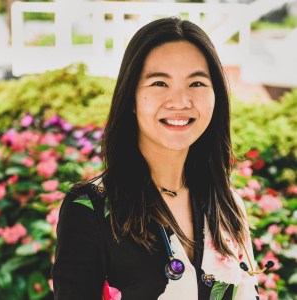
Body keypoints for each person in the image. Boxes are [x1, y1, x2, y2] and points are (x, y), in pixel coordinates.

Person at [52, 17, 261, 299]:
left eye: (196, 83)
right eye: (160, 83)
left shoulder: (227, 203)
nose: (180, 101)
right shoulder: (90, 211)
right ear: (132, 98)